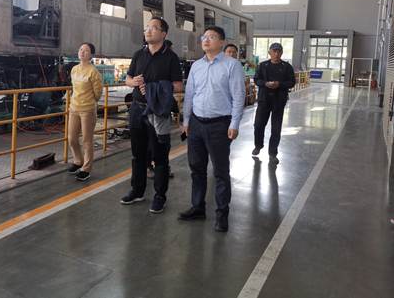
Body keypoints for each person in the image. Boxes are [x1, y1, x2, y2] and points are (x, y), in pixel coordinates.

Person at [179, 26, 245, 232]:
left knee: (220, 172)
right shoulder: (196, 66)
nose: (206, 40)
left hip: (219, 125)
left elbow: (239, 96)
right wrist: (186, 121)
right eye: (204, 37)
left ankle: (222, 214)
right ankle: (198, 207)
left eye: (212, 37)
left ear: (222, 42)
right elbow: (190, 95)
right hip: (196, 124)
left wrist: (234, 123)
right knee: (197, 168)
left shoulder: (232, 65)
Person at [120, 17, 183, 214]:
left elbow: (178, 86)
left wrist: (154, 87)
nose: (148, 30)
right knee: (137, 154)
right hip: (137, 109)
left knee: (160, 155)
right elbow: (128, 79)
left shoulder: (171, 57)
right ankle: (137, 190)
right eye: (147, 27)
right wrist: (133, 82)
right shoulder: (139, 54)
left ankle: (159, 196)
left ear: (164, 33)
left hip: (158, 112)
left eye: (154, 28)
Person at [252, 42, 296, 166]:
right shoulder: (262, 66)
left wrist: (279, 84)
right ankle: (258, 145)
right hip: (264, 100)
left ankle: (273, 153)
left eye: (278, 51)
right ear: (269, 52)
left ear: (281, 53)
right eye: (274, 51)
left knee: (276, 129)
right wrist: (265, 84)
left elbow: (292, 82)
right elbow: (256, 79)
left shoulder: (287, 67)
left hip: (279, 101)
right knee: (258, 125)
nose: (276, 54)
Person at [67, 42, 103, 182]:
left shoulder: (93, 72)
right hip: (74, 108)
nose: (82, 52)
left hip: (87, 110)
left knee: (87, 140)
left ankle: (86, 169)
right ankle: (78, 161)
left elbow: (98, 93)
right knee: (72, 138)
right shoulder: (74, 69)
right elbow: (74, 88)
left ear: (91, 55)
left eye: (86, 50)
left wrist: (89, 101)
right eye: (81, 49)